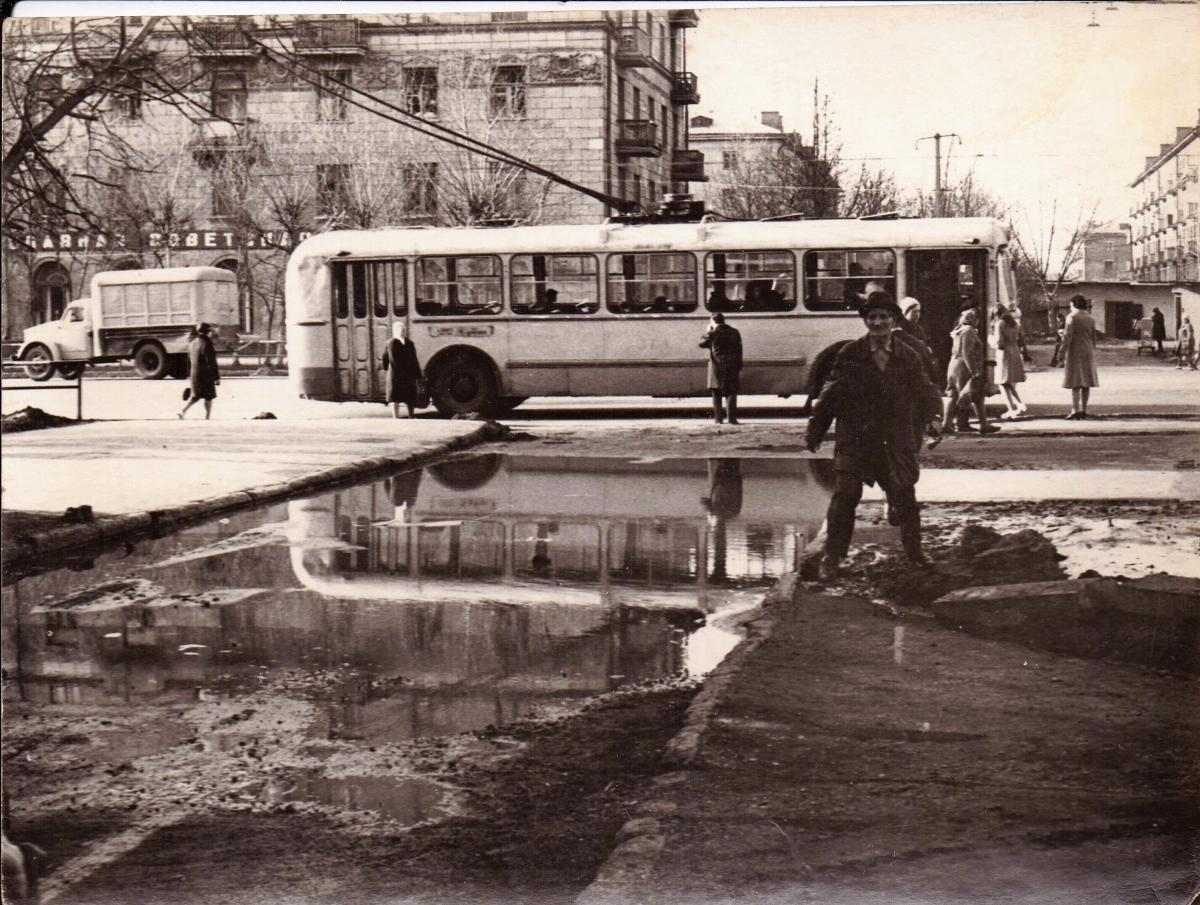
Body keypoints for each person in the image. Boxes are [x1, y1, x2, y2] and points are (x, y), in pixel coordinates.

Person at [805, 291, 945, 580]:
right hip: (856, 439)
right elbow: (831, 393)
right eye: (872, 317)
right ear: (866, 321)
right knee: (845, 495)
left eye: (883, 317)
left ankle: (915, 553)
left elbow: (925, 389)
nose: (878, 323)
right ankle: (832, 558)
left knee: (904, 496)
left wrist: (934, 417)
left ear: (894, 320)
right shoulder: (850, 353)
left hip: (894, 440)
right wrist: (816, 428)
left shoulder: (908, 356)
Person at [942, 308, 998, 435]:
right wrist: (974, 371)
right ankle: (982, 425)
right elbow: (967, 352)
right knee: (976, 395)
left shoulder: (959, 331)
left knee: (953, 395)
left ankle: (946, 424)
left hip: (954, 366)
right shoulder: (969, 331)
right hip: (964, 368)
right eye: (977, 319)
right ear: (974, 319)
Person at [699, 312, 743, 425]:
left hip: (716, 367)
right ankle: (732, 419)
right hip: (732, 365)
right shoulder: (734, 332)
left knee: (716, 393)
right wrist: (739, 364)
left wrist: (708, 330)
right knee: (731, 392)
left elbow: (701, 344)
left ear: (713, 321)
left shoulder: (712, 333)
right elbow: (739, 349)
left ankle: (718, 419)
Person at [1061, 294, 1099, 419]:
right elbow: (1093, 337)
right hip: (1088, 351)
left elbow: (1067, 337)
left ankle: (1075, 410)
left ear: (1074, 305)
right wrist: (1092, 350)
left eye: (1071, 305)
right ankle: (1084, 410)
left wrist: (1061, 352)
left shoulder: (1071, 317)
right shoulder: (1090, 318)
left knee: (1075, 382)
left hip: (1075, 352)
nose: (1070, 307)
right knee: (1086, 382)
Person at [992, 304, 1028, 419]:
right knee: (1007, 382)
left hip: (1004, 355)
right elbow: (1021, 338)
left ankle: (1011, 409)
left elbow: (1000, 343)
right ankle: (1019, 404)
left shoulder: (999, 324)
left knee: (1002, 382)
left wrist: (991, 341)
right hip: (1015, 352)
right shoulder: (1015, 324)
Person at [381, 321, 423, 419]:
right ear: (394, 331)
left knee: (410, 396)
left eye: (403, 329)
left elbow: (414, 359)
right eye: (399, 329)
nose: (401, 331)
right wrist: (388, 369)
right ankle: (396, 417)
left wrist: (418, 374)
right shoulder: (391, 343)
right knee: (395, 397)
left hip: (408, 374)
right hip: (395, 374)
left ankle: (411, 415)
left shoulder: (409, 343)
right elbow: (386, 358)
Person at [178, 322, 219, 420]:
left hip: (194, 374)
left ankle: (183, 411)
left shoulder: (193, 343)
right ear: (208, 332)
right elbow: (211, 361)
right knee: (209, 396)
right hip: (206, 374)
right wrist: (216, 377)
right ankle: (207, 416)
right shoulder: (207, 343)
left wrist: (189, 374)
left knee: (196, 396)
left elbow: (188, 360)